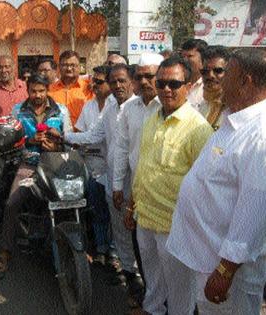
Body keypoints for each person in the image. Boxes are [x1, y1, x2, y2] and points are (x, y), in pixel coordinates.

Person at [166, 48, 266, 315]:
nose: (220, 82)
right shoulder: (236, 119)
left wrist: (225, 270)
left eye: (227, 75)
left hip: (228, 272)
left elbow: (255, 213)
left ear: (245, 81)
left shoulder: (262, 135)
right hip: (206, 256)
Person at [125, 56, 213, 315]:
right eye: (161, 82)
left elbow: (205, 187)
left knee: (180, 292)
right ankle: (152, 310)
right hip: (146, 218)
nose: (166, 89)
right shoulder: (153, 118)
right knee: (152, 279)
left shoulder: (198, 129)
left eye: (174, 84)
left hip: (175, 227)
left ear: (188, 86)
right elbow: (143, 167)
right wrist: (132, 205)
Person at [64, 64, 142, 291]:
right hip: (113, 185)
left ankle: (143, 281)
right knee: (120, 235)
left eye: (122, 81)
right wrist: (64, 137)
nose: (118, 85)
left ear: (131, 82)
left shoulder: (140, 108)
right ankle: (130, 280)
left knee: (141, 240)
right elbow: (93, 135)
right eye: (113, 81)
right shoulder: (109, 105)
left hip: (137, 185)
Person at [0, 74, 72, 279]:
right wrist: (29, 140)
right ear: (28, 90)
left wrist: (57, 143)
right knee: (12, 204)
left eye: (41, 91)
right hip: (29, 165)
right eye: (34, 91)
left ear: (47, 91)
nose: (37, 95)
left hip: (55, 165)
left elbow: (68, 139)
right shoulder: (18, 110)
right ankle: (5, 251)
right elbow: (11, 140)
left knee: (69, 203)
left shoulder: (60, 110)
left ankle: (73, 248)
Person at [112, 52, 164, 217]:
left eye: (149, 76)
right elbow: (122, 147)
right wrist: (117, 185)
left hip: (164, 194)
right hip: (136, 191)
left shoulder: (169, 108)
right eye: (139, 76)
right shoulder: (130, 108)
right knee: (139, 241)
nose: (143, 81)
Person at [75, 65, 111, 264]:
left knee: (111, 214)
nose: (94, 85)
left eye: (99, 82)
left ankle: (113, 252)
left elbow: (94, 137)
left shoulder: (115, 106)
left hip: (110, 168)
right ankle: (100, 249)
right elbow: (81, 134)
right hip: (90, 167)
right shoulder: (89, 106)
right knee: (94, 210)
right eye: (93, 81)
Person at [48, 50, 93, 126]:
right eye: (65, 65)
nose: (69, 69)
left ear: (79, 67)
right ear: (59, 67)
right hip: (56, 135)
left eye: (73, 65)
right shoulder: (50, 90)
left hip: (83, 135)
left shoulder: (89, 88)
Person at [198, 45, 230, 130]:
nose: (210, 75)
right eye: (205, 71)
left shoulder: (233, 107)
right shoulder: (203, 105)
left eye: (218, 71)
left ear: (230, 72)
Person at [181, 38, 208, 107]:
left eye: (190, 56)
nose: (185, 60)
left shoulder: (209, 85)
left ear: (203, 59)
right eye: (183, 56)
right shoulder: (177, 85)